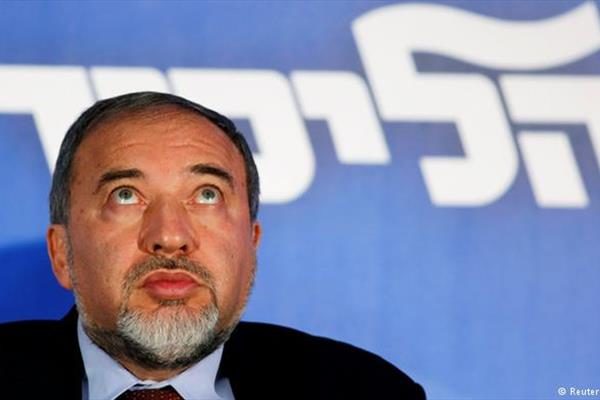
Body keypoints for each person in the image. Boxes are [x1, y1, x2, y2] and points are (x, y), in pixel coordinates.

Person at [0, 92, 426, 399]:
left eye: (207, 194)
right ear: (62, 253)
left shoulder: (368, 391)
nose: (171, 236)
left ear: (251, 245)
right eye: (125, 195)